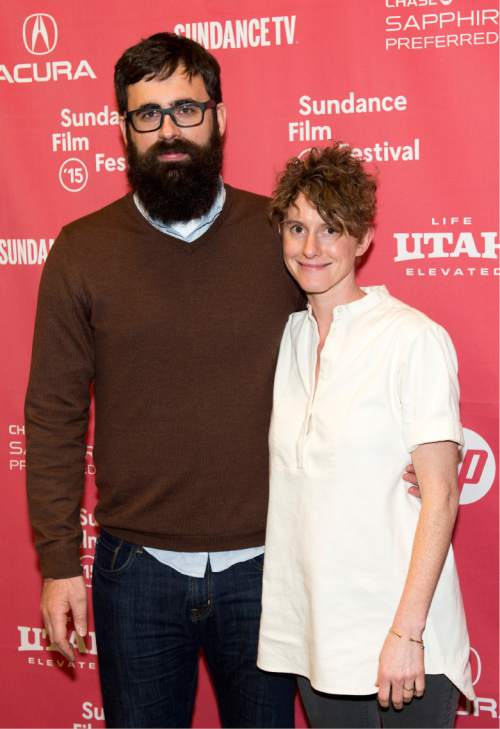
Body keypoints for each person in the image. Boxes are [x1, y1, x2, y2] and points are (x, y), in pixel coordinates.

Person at [25, 33, 419, 729]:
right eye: (148, 115)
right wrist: (60, 561)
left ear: (221, 118)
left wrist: (403, 453)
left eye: (187, 109)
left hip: (270, 567)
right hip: (136, 570)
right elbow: (54, 416)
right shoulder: (81, 251)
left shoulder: (283, 238)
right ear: (124, 130)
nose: (169, 129)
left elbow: (347, 349)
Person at [257, 144, 474, 728]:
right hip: (317, 635)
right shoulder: (288, 342)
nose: (311, 248)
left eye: (331, 229)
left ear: (364, 238)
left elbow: (442, 495)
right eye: (298, 227)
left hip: (400, 636)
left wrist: (407, 632)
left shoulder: (411, 338)